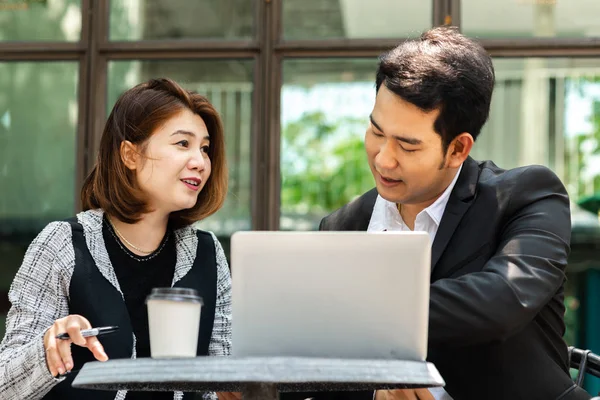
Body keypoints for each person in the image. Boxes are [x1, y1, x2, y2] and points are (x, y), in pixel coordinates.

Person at [317, 27, 591, 400]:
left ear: (458, 149)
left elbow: (502, 298)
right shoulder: (342, 227)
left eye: (408, 146)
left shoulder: (526, 197)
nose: (383, 158)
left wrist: (357, 310)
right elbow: (323, 363)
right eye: (376, 131)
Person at [0, 78, 233, 400]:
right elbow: (5, 386)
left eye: (205, 149)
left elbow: (220, 383)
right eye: (183, 144)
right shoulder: (61, 244)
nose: (200, 162)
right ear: (130, 154)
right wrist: (47, 350)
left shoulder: (208, 253)